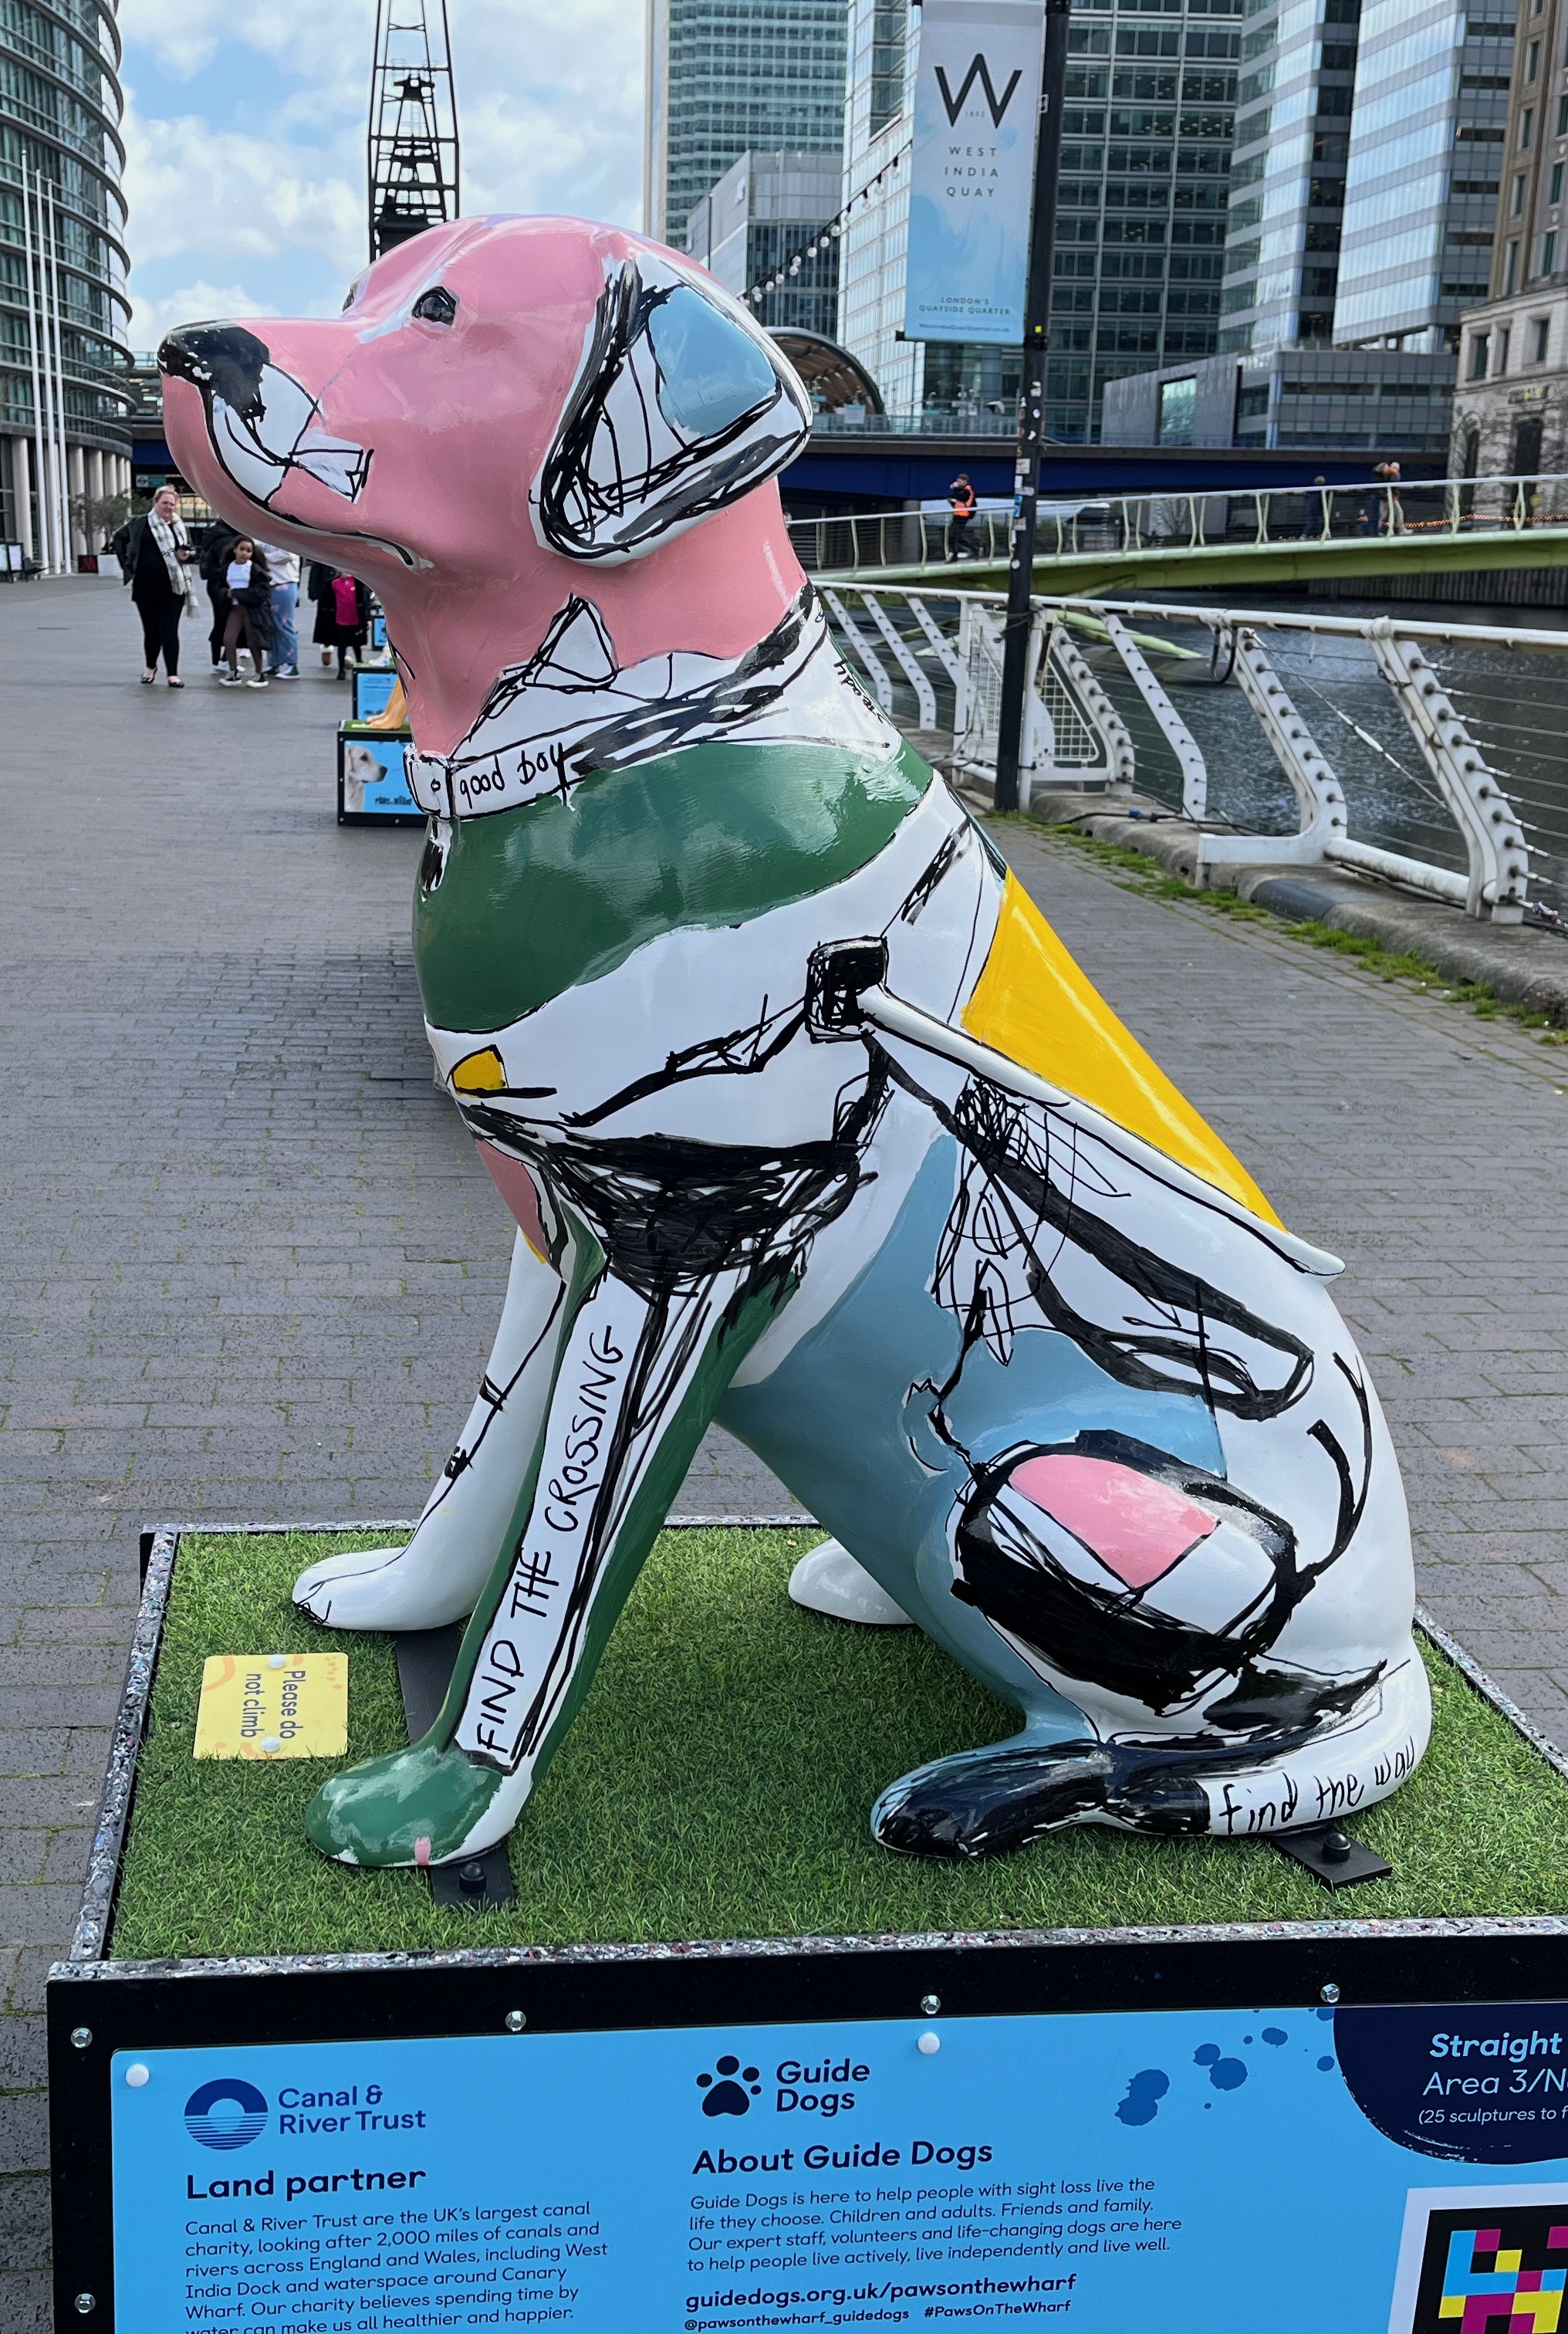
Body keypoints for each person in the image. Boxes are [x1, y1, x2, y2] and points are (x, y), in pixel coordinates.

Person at [111, 485, 194, 687]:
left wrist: (188, 555)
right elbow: (118, 539)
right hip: (145, 587)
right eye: (164, 503)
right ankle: (150, 667)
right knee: (151, 631)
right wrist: (128, 565)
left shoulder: (180, 526)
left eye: (172, 504)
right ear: (155, 503)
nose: (168, 507)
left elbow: (191, 550)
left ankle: (173, 674)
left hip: (174, 587)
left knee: (169, 630)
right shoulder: (140, 523)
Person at [215, 538, 274, 687]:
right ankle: (233, 672)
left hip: (252, 609)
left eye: (249, 551)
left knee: (253, 641)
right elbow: (219, 587)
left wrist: (236, 593)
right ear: (235, 549)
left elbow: (261, 591)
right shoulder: (227, 568)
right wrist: (225, 594)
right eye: (242, 549)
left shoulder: (255, 569)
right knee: (229, 639)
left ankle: (260, 674)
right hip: (235, 609)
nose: (245, 553)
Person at [308, 560, 370, 675]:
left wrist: (367, 618)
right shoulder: (334, 583)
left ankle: (360, 664)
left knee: (356, 644)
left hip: (355, 619)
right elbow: (328, 599)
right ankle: (341, 668)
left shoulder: (358, 584)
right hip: (341, 619)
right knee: (342, 644)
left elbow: (364, 600)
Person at [256, 538, 301, 678]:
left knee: (284, 623)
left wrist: (264, 557)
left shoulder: (283, 535)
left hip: (285, 583)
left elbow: (287, 555)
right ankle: (274, 662)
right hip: (272, 584)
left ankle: (291, 663)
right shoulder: (265, 534)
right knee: (272, 625)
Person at [198, 523, 238, 669]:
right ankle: (223, 660)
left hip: (214, 584)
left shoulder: (216, 535)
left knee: (221, 621)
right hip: (224, 584)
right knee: (227, 622)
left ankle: (219, 659)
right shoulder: (228, 540)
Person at [946, 473, 978, 562]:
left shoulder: (968, 491)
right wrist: (952, 503)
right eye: (957, 481)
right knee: (957, 537)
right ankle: (974, 549)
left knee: (953, 536)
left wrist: (955, 488)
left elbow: (961, 498)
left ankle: (955, 555)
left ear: (965, 482)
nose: (957, 483)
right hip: (957, 515)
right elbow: (959, 502)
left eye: (959, 481)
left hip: (963, 516)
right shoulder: (962, 490)